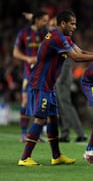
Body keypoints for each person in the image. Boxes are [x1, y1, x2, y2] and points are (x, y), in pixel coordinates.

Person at [17, 10, 93, 166]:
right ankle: (24, 157)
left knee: (53, 118)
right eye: (72, 23)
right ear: (63, 23)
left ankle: (56, 156)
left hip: (49, 86)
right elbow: (76, 57)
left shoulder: (63, 38)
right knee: (40, 119)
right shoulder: (57, 38)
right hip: (41, 84)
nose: (75, 27)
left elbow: (81, 52)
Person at [13, 10, 49, 142]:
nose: (46, 23)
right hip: (29, 73)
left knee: (39, 104)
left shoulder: (45, 33)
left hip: (43, 73)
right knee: (25, 101)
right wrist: (27, 58)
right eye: (44, 20)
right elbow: (15, 53)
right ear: (38, 20)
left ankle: (35, 134)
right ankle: (23, 133)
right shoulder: (24, 33)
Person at [56, 58, 87, 143]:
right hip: (59, 80)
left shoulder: (60, 46)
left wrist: (60, 80)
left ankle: (80, 134)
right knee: (62, 108)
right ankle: (65, 133)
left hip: (63, 81)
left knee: (67, 107)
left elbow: (65, 62)